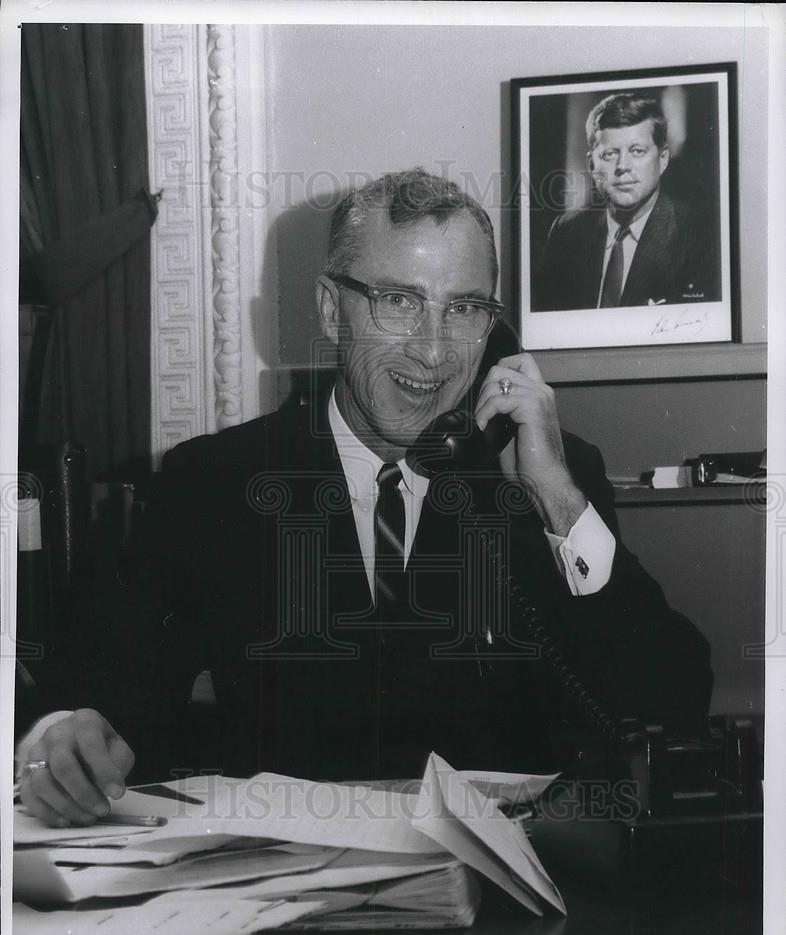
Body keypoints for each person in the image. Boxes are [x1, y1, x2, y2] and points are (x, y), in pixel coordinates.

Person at [17, 168, 712, 828]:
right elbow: (110, 679)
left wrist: (558, 500)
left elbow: (676, 699)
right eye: (399, 303)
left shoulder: (546, 474)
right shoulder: (216, 479)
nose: (435, 352)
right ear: (330, 308)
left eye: (465, 309)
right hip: (290, 900)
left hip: (509, 908)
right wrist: (62, 735)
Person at [533, 92, 720, 312]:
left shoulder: (702, 236)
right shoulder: (566, 232)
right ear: (591, 165)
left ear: (663, 159)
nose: (623, 165)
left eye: (637, 151)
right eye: (610, 154)